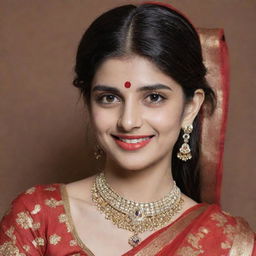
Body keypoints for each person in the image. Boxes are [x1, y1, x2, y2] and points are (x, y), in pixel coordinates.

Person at [0, 2, 255, 256]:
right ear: (90, 104)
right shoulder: (37, 218)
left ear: (190, 108)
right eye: (109, 98)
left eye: (154, 97)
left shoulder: (229, 242)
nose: (128, 121)